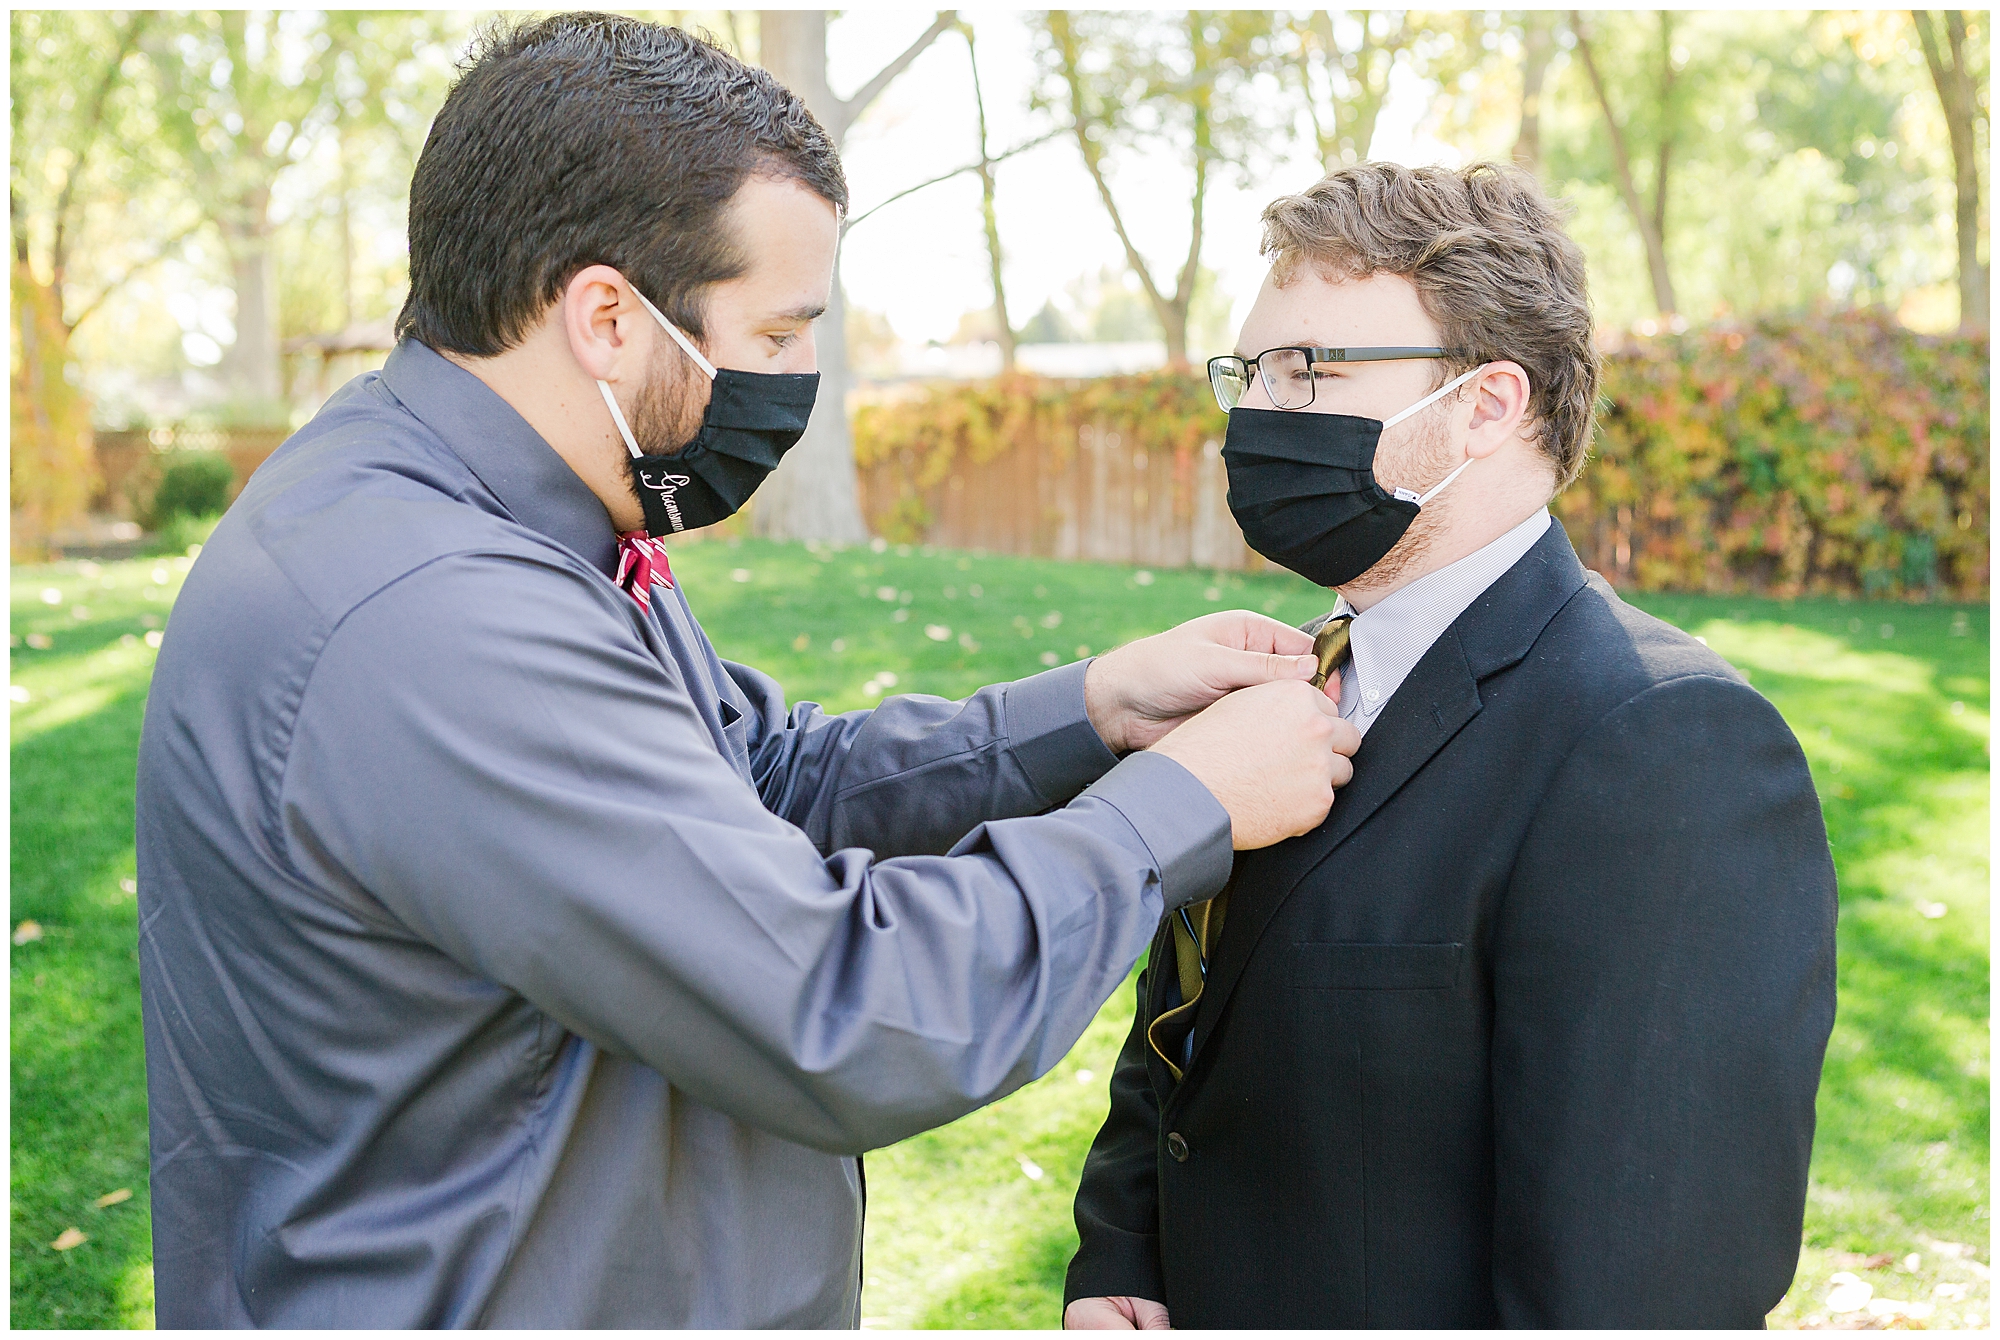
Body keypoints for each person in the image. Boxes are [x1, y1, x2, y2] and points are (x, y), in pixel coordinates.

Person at [134, 15, 1364, 1328]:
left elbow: (757, 779)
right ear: (607, 315)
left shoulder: (520, 517)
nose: (801, 381)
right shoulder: (430, 619)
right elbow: (845, 1009)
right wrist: (1184, 808)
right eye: (775, 337)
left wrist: (1092, 712)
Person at [1063, 162, 1838, 1329]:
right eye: (1251, 370)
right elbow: (1191, 1017)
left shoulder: (1664, 744)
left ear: (1484, 406)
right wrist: (1121, 1254)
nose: (1258, 411)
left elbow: (1646, 1277)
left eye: (1308, 369)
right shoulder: (1292, 681)